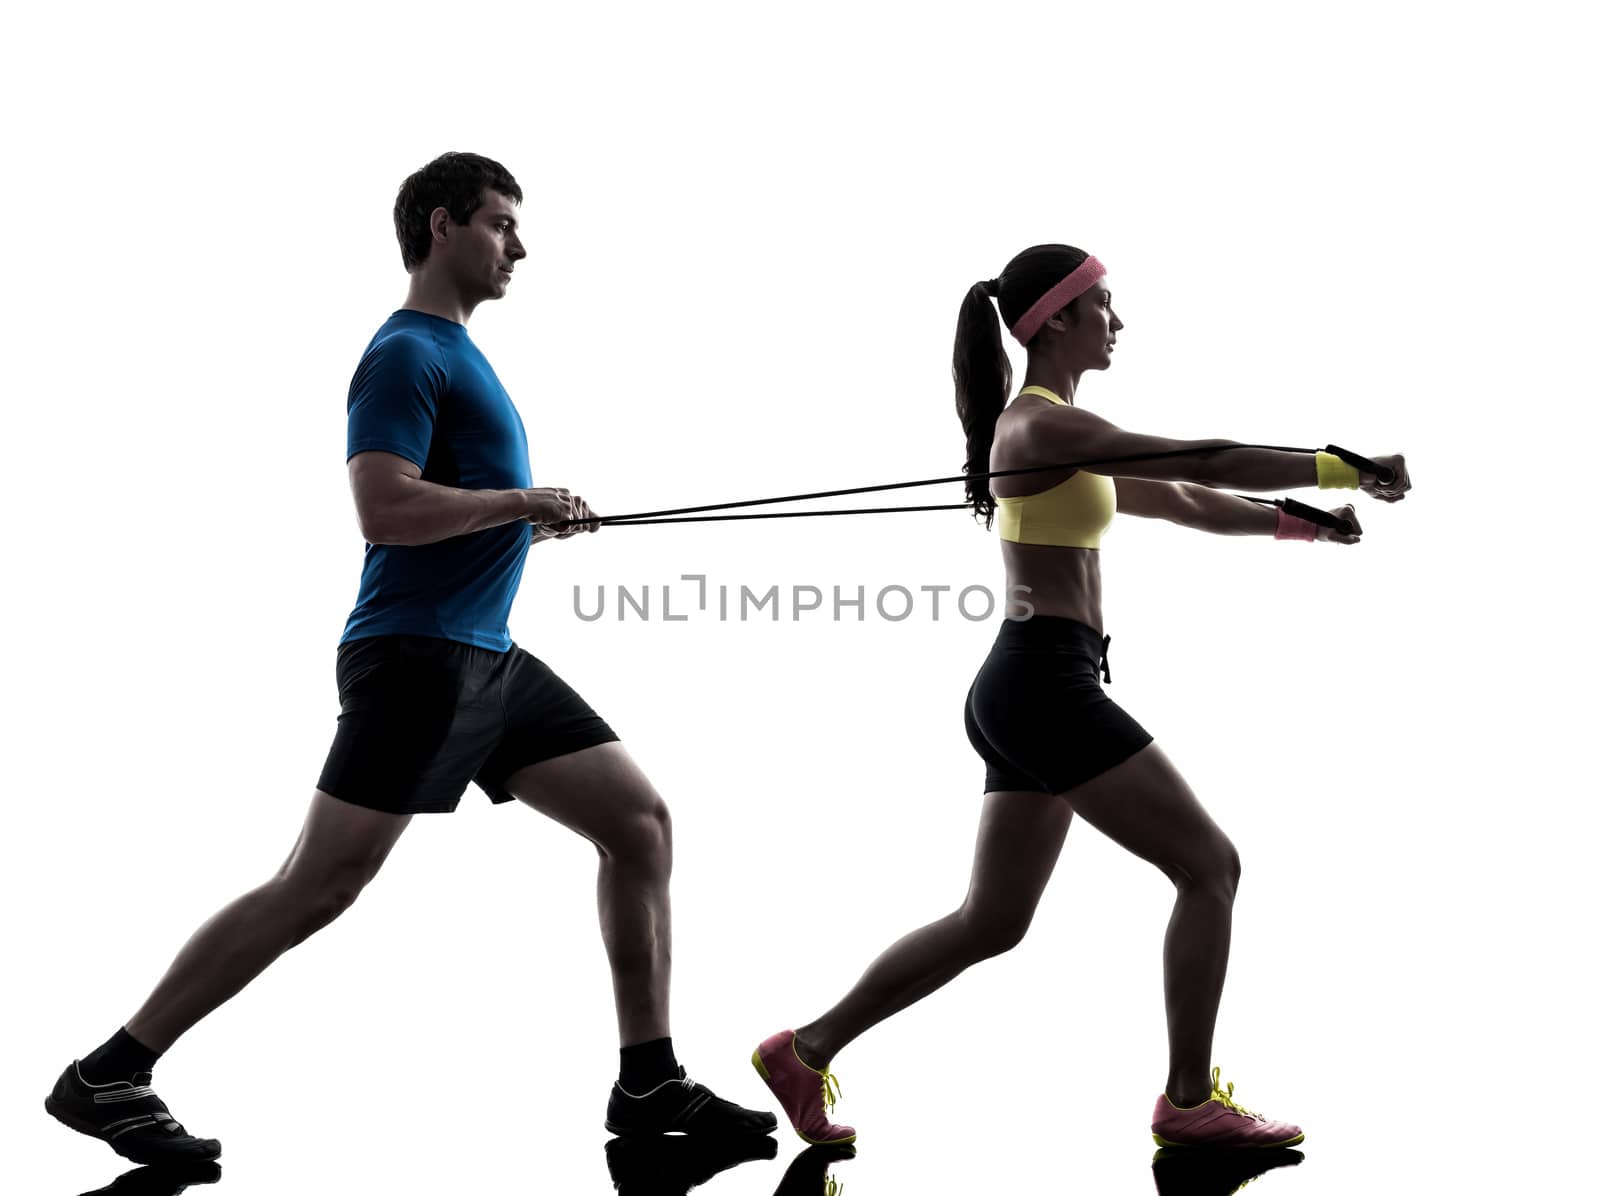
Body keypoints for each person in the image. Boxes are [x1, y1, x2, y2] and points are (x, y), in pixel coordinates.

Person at [46, 151, 776, 1165]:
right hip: (415, 658)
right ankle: (109, 1070)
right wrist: (519, 503)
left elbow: (446, 504)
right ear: (441, 225)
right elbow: (383, 506)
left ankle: (648, 1077)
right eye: (499, 223)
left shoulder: (463, 354)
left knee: (639, 821)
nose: (517, 245)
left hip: (487, 657)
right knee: (318, 883)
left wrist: (522, 525)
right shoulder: (404, 354)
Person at [752, 244, 1411, 1148]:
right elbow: (1208, 455)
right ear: (1056, 318)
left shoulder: (1058, 433)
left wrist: (1303, 524)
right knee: (1210, 868)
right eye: (1105, 304)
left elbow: (1183, 495)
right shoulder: (1038, 429)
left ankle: (807, 1049)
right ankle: (1188, 1102)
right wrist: (1344, 465)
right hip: (1044, 684)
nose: (1119, 320)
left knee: (993, 919)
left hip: (1031, 683)